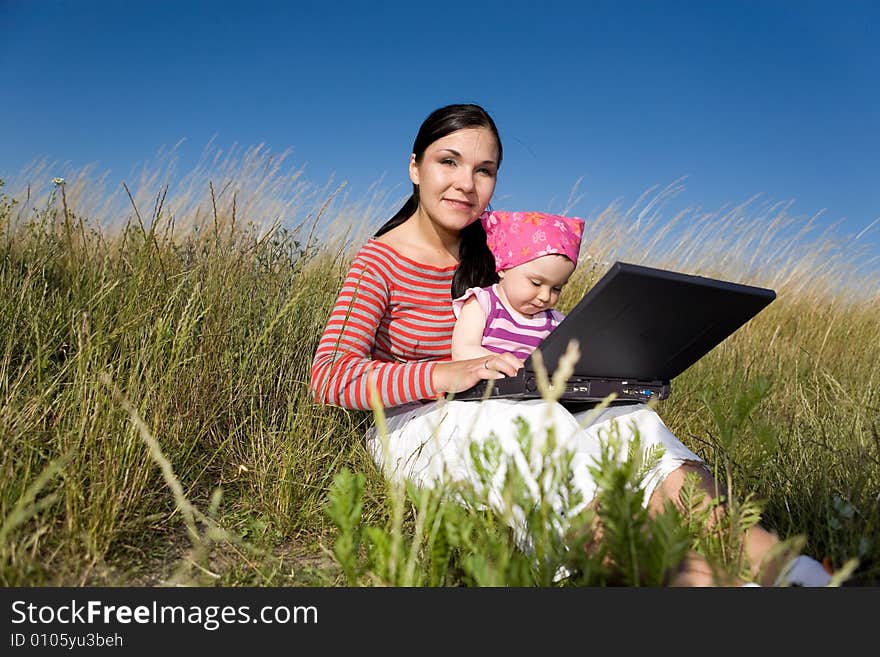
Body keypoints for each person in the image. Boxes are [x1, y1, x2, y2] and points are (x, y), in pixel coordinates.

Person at [309, 102, 832, 587]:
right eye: (449, 162)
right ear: (415, 167)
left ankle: (790, 570)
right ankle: (689, 578)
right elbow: (329, 375)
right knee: (538, 426)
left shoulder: (499, 255)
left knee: (634, 421)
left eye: (484, 170)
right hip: (417, 420)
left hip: (510, 399)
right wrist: (447, 372)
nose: (466, 184)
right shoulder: (379, 259)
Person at [450, 209, 584, 362]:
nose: (545, 296)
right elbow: (463, 351)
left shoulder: (555, 322)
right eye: (536, 283)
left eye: (556, 288)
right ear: (504, 268)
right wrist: (508, 364)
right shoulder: (483, 303)